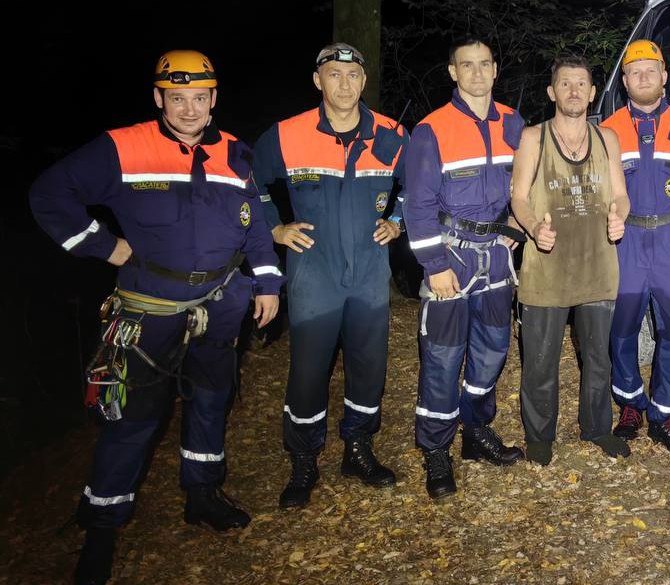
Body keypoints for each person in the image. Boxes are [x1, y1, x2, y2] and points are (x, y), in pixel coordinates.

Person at [29, 50, 283, 585]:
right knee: (134, 417)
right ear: (158, 98)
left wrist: (267, 282)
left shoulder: (236, 153)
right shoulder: (122, 146)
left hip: (221, 303)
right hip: (149, 311)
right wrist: (104, 247)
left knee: (213, 401)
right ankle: (102, 526)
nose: (189, 108)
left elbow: (255, 222)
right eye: (177, 97)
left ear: (213, 99)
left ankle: (202, 493)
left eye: (199, 97)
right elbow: (50, 194)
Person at [252, 42, 407, 509]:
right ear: (317, 80)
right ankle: (304, 460)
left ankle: (358, 448)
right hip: (313, 275)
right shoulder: (285, 135)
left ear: (363, 81)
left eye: (353, 75)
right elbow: (246, 186)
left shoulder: (392, 133)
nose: (344, 84)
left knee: (369, 367)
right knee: (307, 373)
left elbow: (420, 186)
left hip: (368, 273)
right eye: (333, 75)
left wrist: (398, 220)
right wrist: (274, 228)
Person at [404, 36, 526, 499]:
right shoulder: (430, 130)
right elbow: (417, 206)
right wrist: (433, 264)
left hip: (495, 255)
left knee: (492, 351)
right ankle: (436, 450)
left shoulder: (514, 123)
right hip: (449, 255)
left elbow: (526, 186)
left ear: (496, 70)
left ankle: (475, 432)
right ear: (453, 72)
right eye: (466, 66)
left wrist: (514, 236)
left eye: (484, 64)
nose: (476, 73)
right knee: (442, 357)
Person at [511, 55, 631, 465]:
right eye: (565, 84)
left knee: (598, 357)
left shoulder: (607, 139)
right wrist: (532, 227)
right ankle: (539, 436)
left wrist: (620, 218)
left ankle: (597, 428)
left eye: (581, 83)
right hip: (547, 269)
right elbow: (519, 196)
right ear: (552, 92)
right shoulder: (533, 138)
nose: (574, 91)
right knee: (541, 361)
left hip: (598, 265)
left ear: (593, 92)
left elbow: (620, 193)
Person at [601, 40, 670, 455]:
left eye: (651, 70)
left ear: (664, 77)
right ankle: (629, 404)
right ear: (625, 81)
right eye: (634, 72)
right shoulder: (606, 131)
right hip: (623, 240)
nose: (643, 77)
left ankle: (665, 413)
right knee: (621, 327)